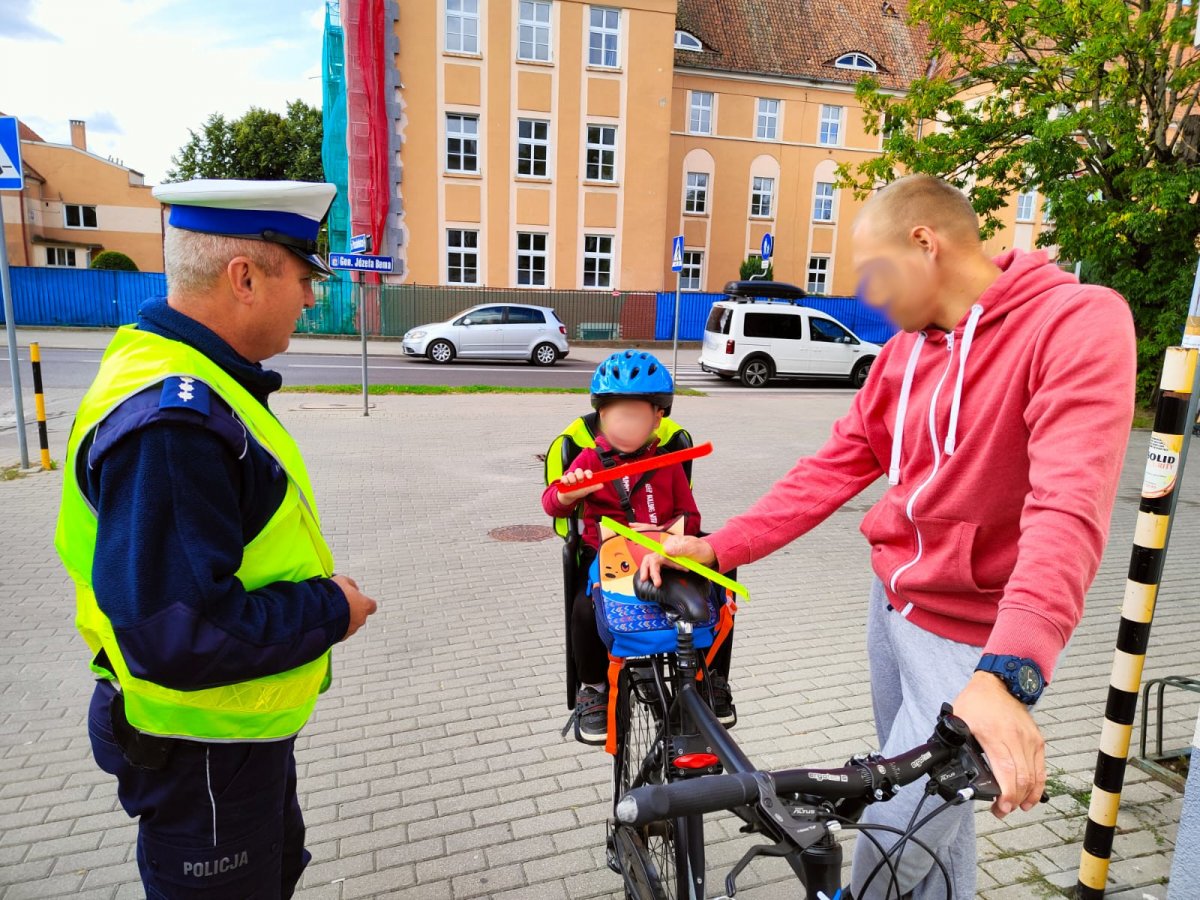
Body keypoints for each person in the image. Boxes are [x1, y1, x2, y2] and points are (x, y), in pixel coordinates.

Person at [640, 174, 1137, 899]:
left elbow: (1068, 508)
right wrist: (722, 546)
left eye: (872, 276)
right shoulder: (907, 353)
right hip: (892, 609)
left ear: (924, 244)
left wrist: (1009, 674)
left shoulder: (1076, 322)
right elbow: (838, 463)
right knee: (938, 822)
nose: (868, 298)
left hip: (973, 642)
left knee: (891, 842)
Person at [55, 180, 379, 898]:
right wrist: (333, 609)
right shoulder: (175, 425)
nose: (308, 298)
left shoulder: (190, 373)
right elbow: (180, 634)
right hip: (203, 750)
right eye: (301, 279)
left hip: (227, 742)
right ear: (244, 277)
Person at [542, 351, 733, 744]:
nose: (625, 424)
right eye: (616, 414)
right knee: (583, 605)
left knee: (723, 578)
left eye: (636, 415)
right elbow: (550, 502)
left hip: (664, 554)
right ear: (601, 415)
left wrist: (672, 536)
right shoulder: (591, 458)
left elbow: (691, 516)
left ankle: (711, 677)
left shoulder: (668, 462)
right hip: (607, 557)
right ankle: (593, 691)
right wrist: (568, 492)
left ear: (657, 416)